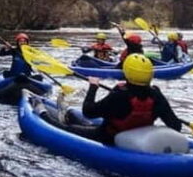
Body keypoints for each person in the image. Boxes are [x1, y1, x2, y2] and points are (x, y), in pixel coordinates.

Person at [48, 54, 183, 145]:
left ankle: (44, 116)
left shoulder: (120, 94)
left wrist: (93, 87)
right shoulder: (156, 95)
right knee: (80, 119)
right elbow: (176, 126)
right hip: (139, 139)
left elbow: (88, 112)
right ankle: (70, 113)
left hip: (109, 138)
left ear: (127, 72)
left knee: (68, 128)